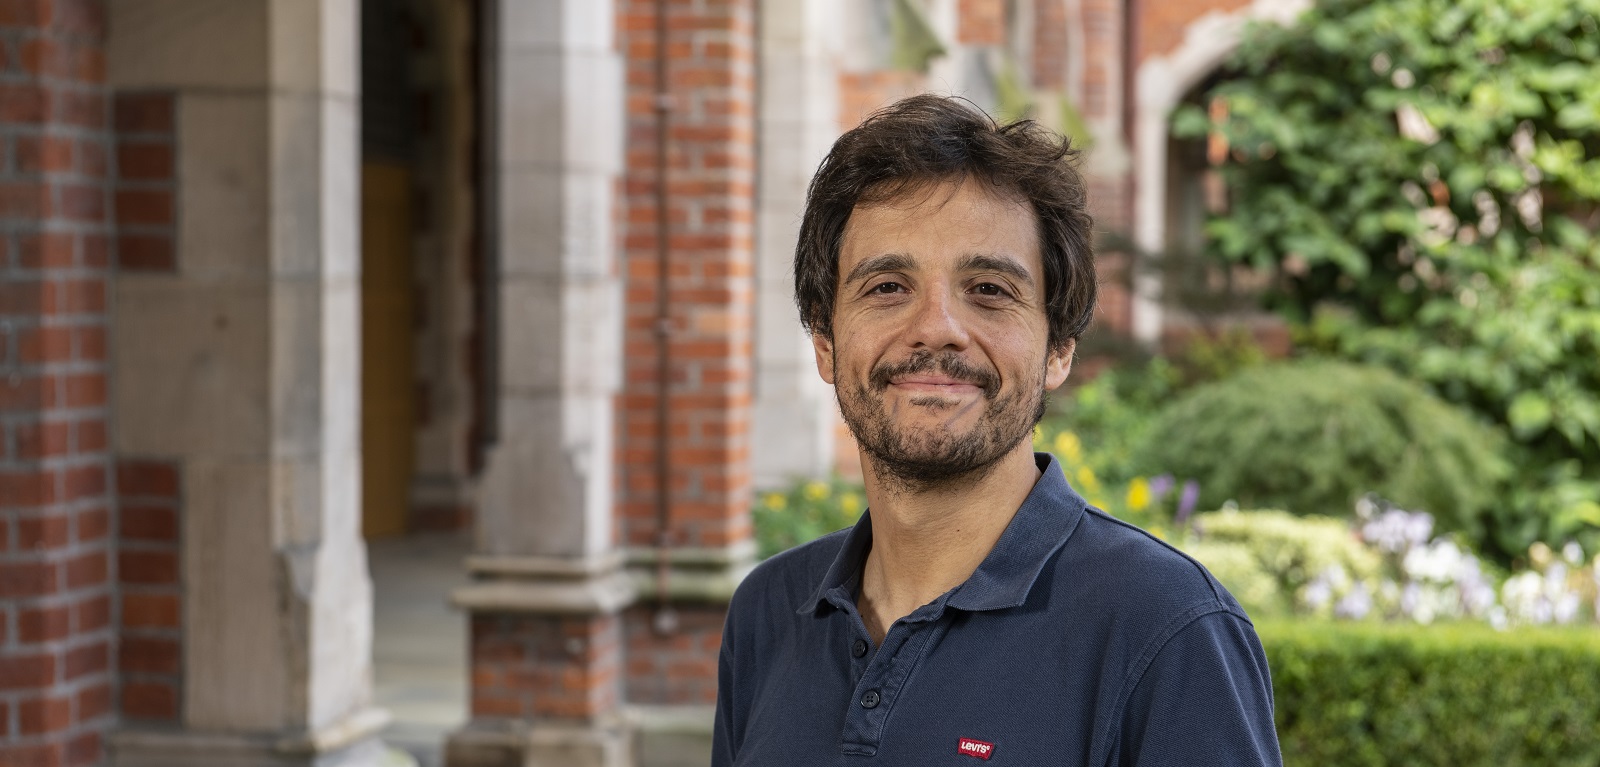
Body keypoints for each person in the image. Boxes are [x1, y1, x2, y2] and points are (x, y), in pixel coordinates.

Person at [712, 94, 1282, 766]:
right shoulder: (768, 614)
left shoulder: (1166, 628)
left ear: (1059, 348)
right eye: (888, 286)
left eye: (988, 289)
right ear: (825, 341)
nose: (937, 328)